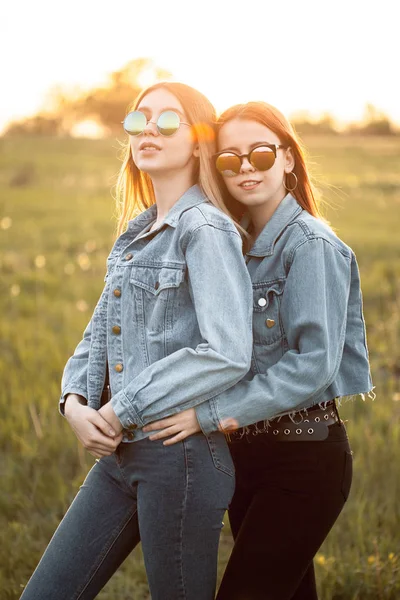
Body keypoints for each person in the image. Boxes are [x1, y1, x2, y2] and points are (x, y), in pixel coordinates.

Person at [20, 83, 253, 600]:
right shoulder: (139, 230)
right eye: (139, 120)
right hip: (120, 457)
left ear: (198, 143)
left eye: (168, 121)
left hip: (181, 460)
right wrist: (74, 402)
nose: (148, 130)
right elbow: (98, 332)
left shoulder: (205, 229)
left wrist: (123, 408)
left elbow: (228, 350)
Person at [142, 101, 374, 600]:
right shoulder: (230, 247)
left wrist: (211, 412)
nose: (245, 167)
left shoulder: (311, 244)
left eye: (261, 154)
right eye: (229, 160)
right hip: (246, 458)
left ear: (288, 159)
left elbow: (313, 365)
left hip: (303, 460)